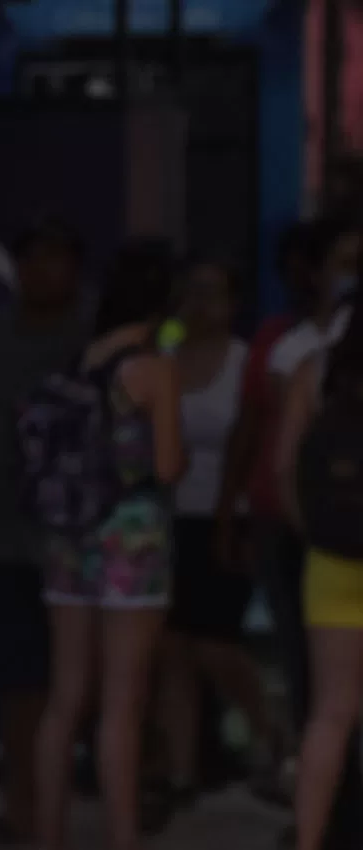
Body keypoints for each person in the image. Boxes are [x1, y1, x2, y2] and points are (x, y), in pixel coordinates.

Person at [33, 240, 186, 850]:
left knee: (66, 696)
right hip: (134, 540)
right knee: (124, 698)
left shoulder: (80, 359)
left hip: (68, 536)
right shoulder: (154, 367)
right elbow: (169, 466)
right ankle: (124, 836)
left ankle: (50, 835)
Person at [0, 217, 86, 848]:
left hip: (81, 536)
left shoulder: (91, 333)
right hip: (6, 529)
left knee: (82, 679)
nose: (45, 274)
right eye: (35, 261)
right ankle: (22, 809)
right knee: (20, 682)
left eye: (58, 261)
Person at [157, 260, 284, 807]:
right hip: (164, 522)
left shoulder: (244, 362)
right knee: (174, 650)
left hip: (223, 516)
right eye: (192, 290)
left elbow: (254, 441)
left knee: (215, 645)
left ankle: (273, 734)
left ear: (234, 302)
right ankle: (183, 772)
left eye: (214, 292)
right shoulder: (162, 358)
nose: (201, 303)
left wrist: (237, 518)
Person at [276, 303, 363, 850]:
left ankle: (309, 840)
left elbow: (283, 467)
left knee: (329, 714)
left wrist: (314, 534)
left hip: (331, 562)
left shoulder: (316, 369)